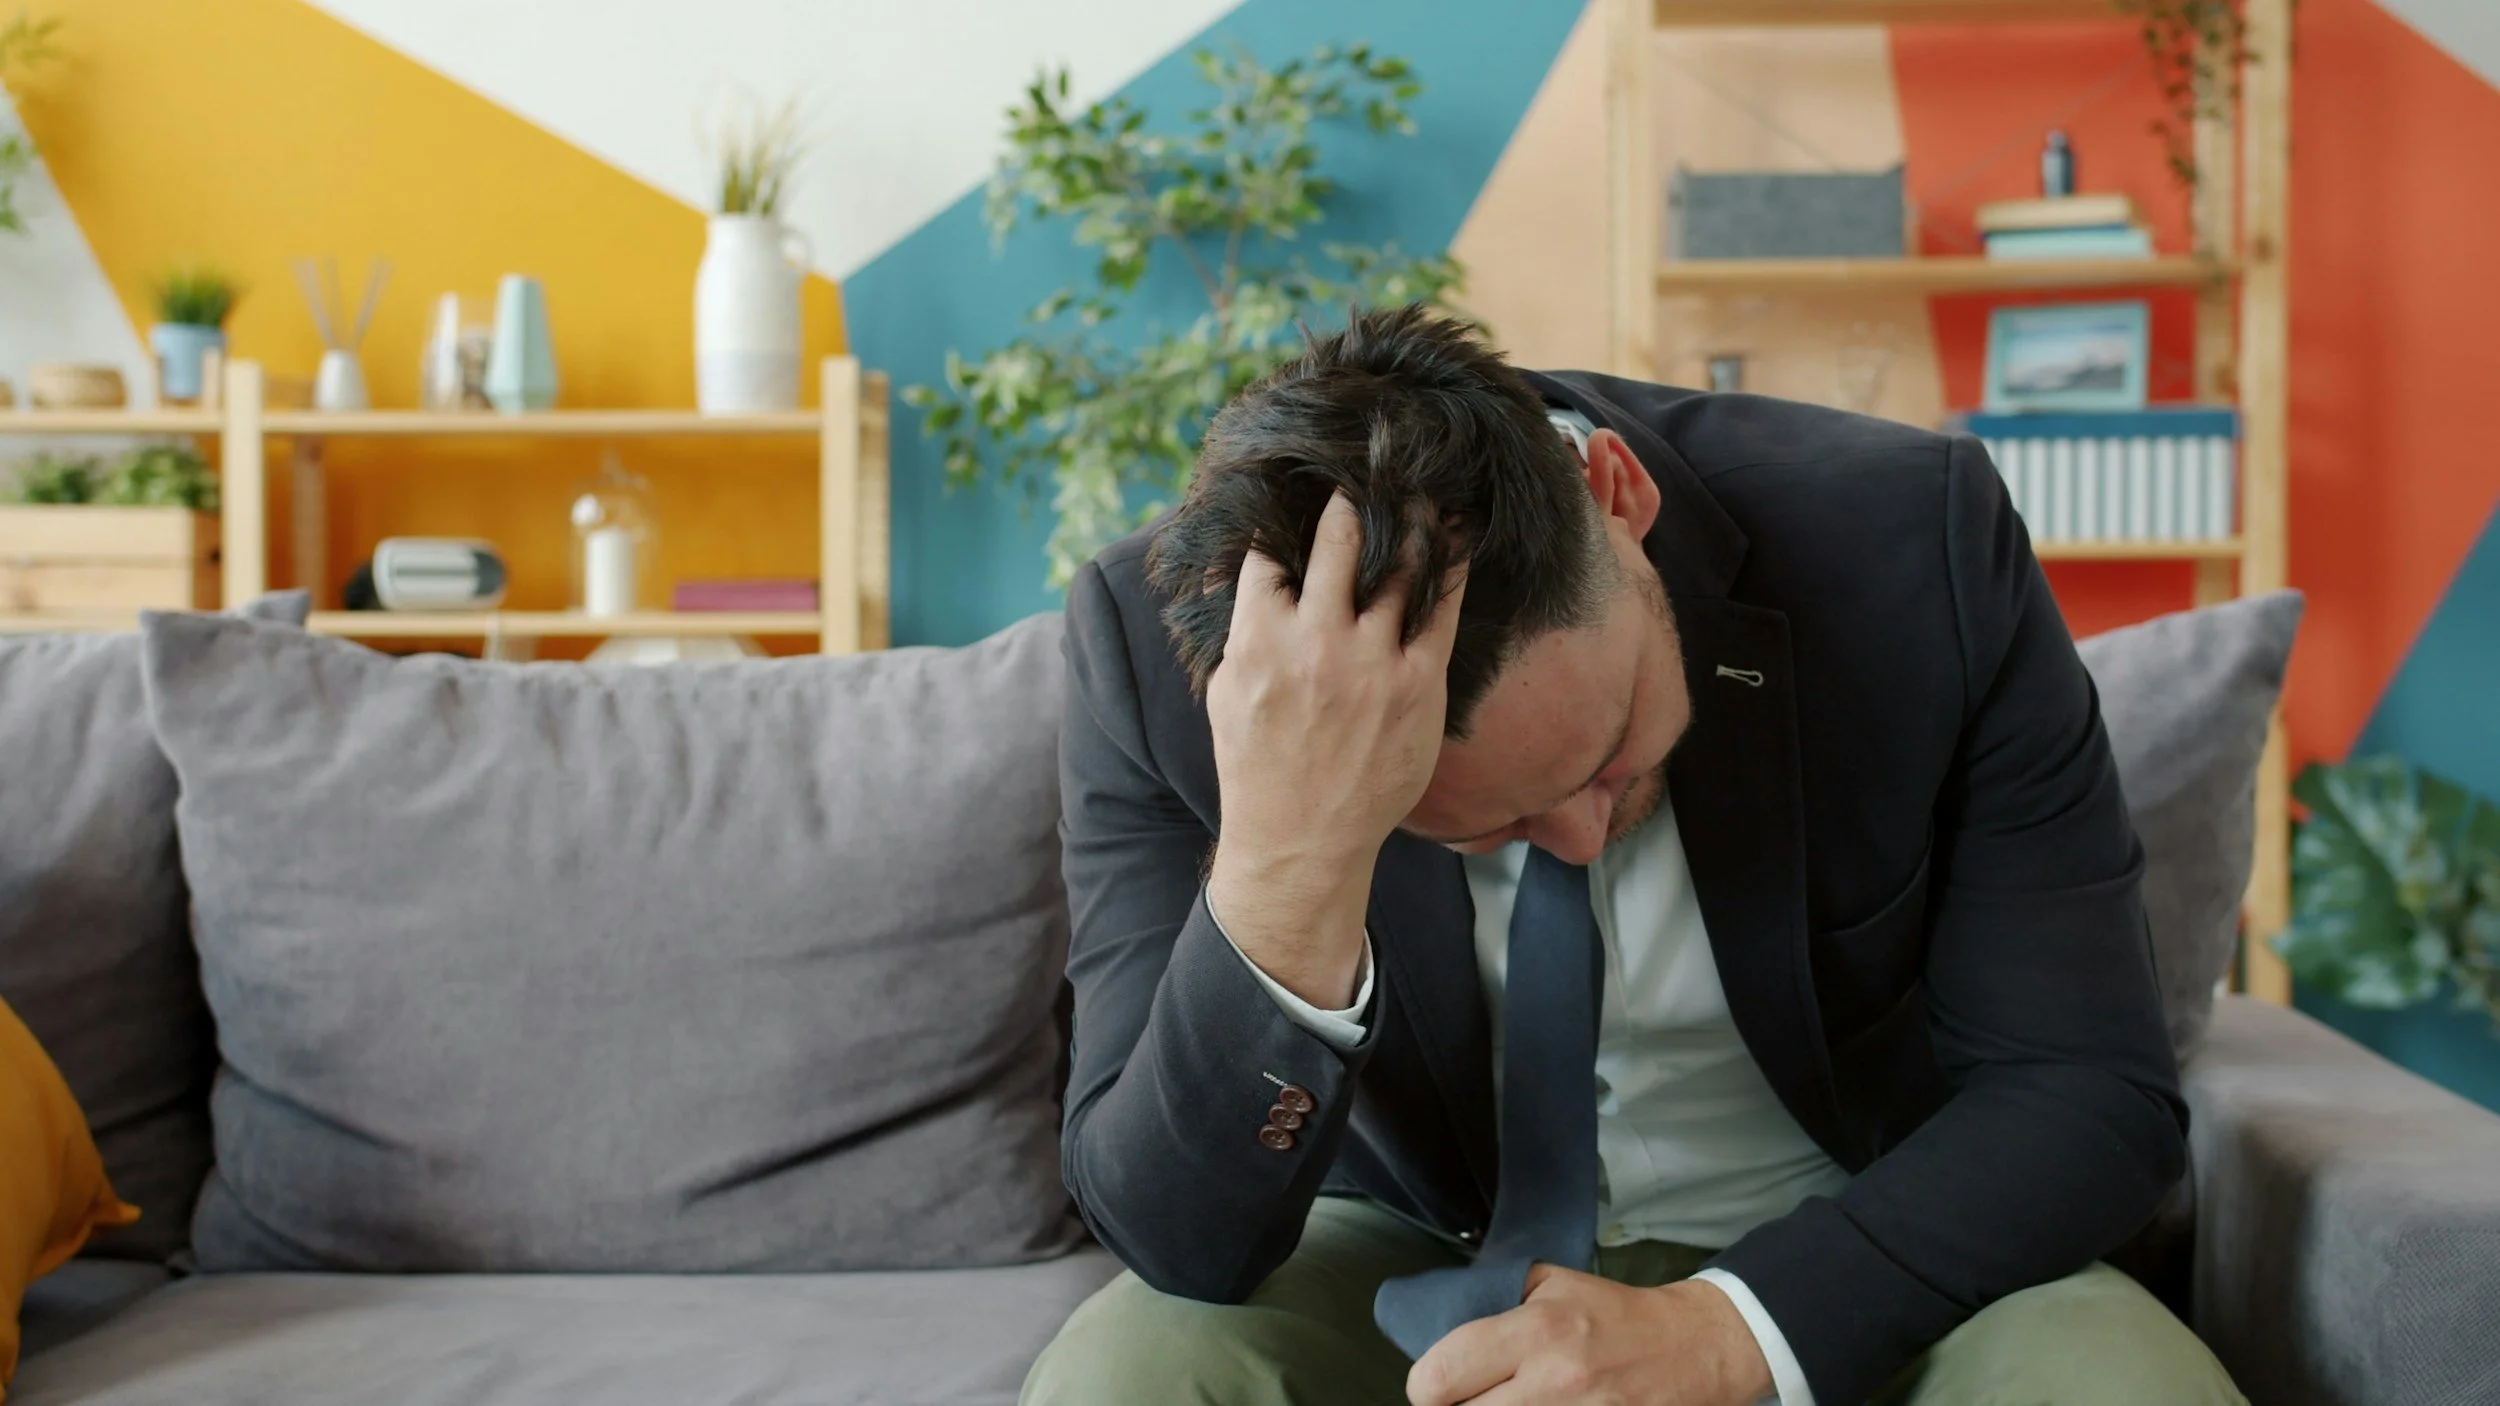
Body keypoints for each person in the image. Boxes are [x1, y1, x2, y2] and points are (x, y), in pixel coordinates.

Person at [1022, 304, 2243, 1406]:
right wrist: (1290, 858)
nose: (1578, 836)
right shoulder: (1161, 662)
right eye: (1486, 827)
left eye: (1608, 753)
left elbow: (2087, 1089)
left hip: (1862, 1238)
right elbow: (1174, 1240)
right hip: (1416, 1246)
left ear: (1619, 496)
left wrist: (1729, 1331)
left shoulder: (1914, 539)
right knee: (1125, 1375)